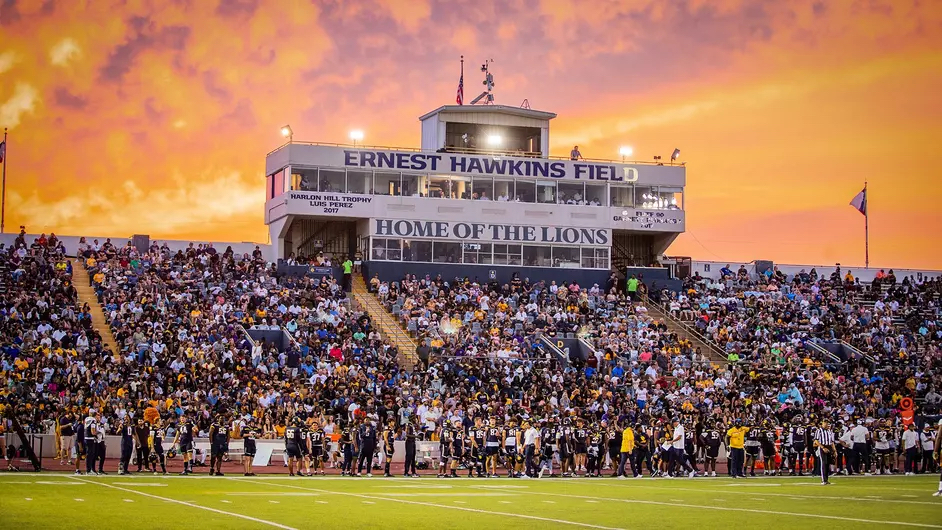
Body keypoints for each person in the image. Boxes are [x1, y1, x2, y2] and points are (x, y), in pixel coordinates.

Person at [814, 419, 837, 485]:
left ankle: (826, 479)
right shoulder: (819, 431)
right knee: (824, 463)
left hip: (829, 446)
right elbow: (816, 441)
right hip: (823, 446)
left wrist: (834, 451)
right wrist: (823, 447)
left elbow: (832, 442)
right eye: (825, 423)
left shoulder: (830, 431)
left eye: (827, 424)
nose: (827, 425)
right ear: (823, 424)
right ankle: (823, 479)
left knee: (828, 463)